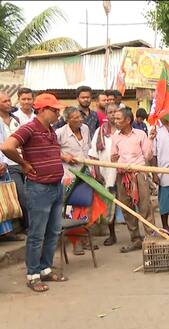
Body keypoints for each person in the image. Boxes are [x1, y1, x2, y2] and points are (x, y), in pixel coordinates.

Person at [1, 93, 68, 292]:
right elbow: (7, 146)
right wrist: (23, 163)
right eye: (54, 110)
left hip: (55, 186)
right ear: (43, 110)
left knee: (53, 231)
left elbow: (49, 152)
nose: (57, 113)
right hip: (39, 188)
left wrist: (64, 156)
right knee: (37, 234)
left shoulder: (51, 130)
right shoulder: (29, 127)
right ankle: (33, 274)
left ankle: (45, 268)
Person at [111, 108, 155, 253]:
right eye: (115, 119)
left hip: (139, 174)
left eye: (118, 119)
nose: (115, 121)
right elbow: (113, 157)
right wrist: (115, 161)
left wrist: (150, 139)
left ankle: (151, 238)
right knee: (126, 207)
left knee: (145, 207)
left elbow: (148, 156)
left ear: (128, 120)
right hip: (123, 177)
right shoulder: (115, 137)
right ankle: (135, 239)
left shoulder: (141, 134)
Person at [56, 106, 94, 255]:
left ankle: (84, 239)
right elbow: (52, 150)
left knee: (85, 208)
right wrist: (63, 157)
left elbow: (88, 149)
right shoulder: (59, 133)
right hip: (68, 176)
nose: (80, 120)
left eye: (80, 116)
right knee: (71, 210)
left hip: (85, 173)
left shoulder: (85, 129)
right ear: (67, 119)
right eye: (75, 117)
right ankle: (75, 242)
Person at [88, 103, 119, 246]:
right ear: (106, 114)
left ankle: (135, 235)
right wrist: (97, 172)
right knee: (109, 206)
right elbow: (93, 155)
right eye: (110, 112)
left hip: (123, 174)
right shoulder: (100, 132)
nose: (113, 114)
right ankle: (112, 235)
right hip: (106, 174)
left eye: (116, 112)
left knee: (128, 205)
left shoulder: (123, 131)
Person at [0, 91, 27, 236]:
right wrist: (3, 162)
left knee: (26, 195)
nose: (9, 103)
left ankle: (26, 227)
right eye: (5, 101)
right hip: (7, 164)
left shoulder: (16, 119)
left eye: (9, 100)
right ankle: (26, 227)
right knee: (17, 197)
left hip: (21, 162)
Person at [150, 118, 169, 232]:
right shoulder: (155, 128)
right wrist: (155, 173)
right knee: (164, 203)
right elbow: (153, 154)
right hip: (163, 172)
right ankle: (165, 226)